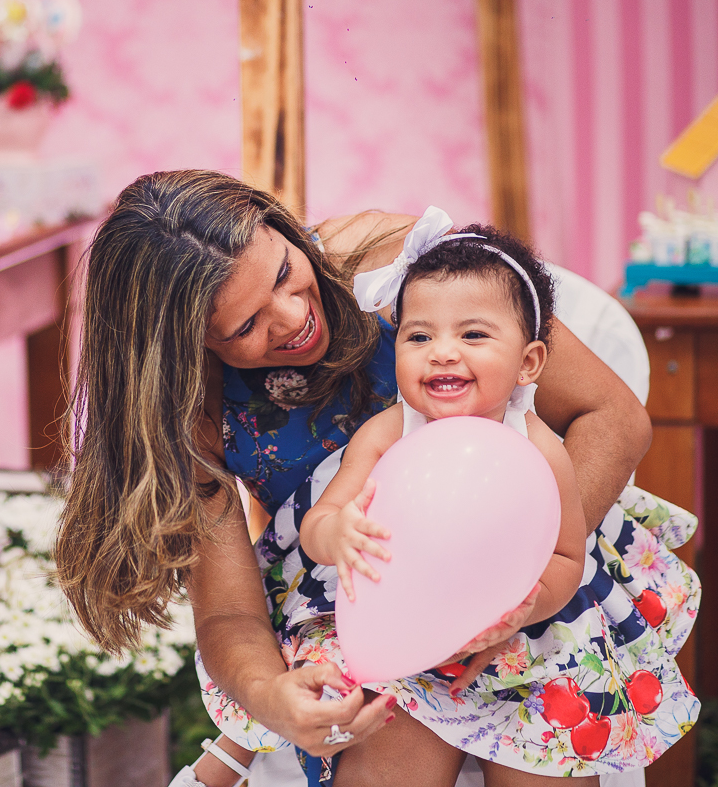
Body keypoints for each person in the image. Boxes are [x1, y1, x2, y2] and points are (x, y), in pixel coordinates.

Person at [53, 171, 694, 786]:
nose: (291, 315)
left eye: (282, 272)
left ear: (278, 226)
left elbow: (611, 417)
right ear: (192, 346)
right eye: (246, 326)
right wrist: (271, 699)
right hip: (362, 596)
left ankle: (231, 756)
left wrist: (503, 589)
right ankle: (241, 748)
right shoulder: (194, 407)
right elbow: (227, 611)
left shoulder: (402, 269)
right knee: (387, 738)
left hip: (537, 566)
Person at [269, 213, 698, 784]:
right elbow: (323, 521)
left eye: (473, 335)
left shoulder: (540, 448)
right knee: (383, 762)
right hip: (403, 622)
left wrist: (524, 608)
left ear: (529, 362)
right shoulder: (388, 432)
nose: (442, 352)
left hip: (525, 634)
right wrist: (338, 532)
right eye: (419, 337)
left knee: (547, 759)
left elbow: (569, 557)